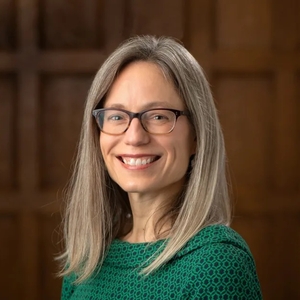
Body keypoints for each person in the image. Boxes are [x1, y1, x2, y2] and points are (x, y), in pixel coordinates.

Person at [59, 35, 262, 299]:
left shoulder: (217, 263)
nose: (134, 137)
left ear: (197, 137)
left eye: (157, 116)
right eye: (117, 116)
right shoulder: (84, 262)